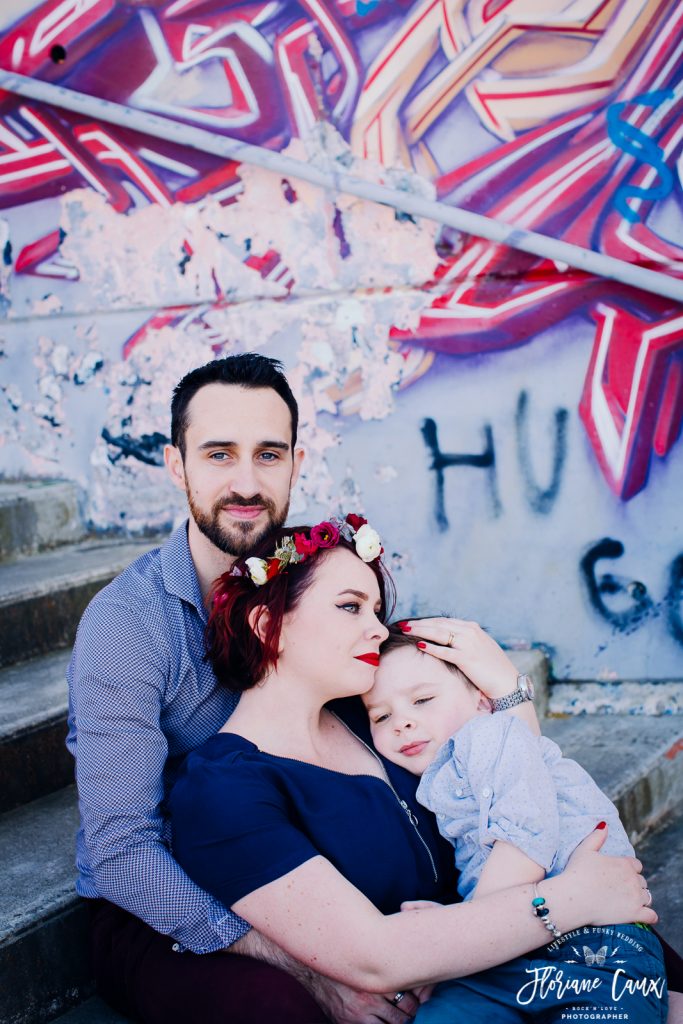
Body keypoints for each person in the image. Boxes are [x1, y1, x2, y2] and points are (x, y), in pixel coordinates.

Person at [168, 515, 659, 1019]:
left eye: (376, 609)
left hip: (557, 958)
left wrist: (506, 687)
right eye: (349, 607)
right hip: (496, 973)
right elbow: (377, 957)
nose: (377, 629)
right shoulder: (223, 789)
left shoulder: (376, 713)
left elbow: (515, 781)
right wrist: (570, 899)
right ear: (269, 625)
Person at [68, 353, 406, 1024]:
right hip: (170, 899)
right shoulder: (128, 626)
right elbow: (121, 850)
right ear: (176, 464)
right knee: (274, 1010)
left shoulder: (315, 574)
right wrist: (307, 965)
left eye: (268, 455)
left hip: (300, 856)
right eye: (219, 455)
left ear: (297, 463)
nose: (246, 483)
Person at [363, 625, 668, 1022]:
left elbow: (525, 844)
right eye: (382, 715)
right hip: (512, 946)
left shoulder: (490, 737)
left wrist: (451, 936)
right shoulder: (440, 772)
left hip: (594, 945)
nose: (401, 722)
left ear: (482, 702)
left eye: (422, 699)